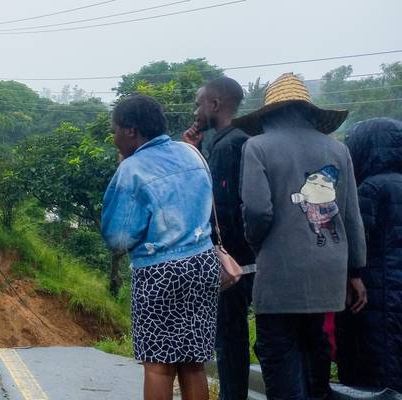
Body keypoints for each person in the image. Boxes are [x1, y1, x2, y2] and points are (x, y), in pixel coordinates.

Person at [235, 73, 366, 400]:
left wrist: (259, 244)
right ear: (309, 112)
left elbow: (256, 212)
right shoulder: (337, 149)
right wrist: (355, 272)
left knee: (279, 354)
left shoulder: (257, 147)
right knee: (315, 350)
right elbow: (350, 215)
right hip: (329, 272)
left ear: (269, 115)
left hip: (280, 273)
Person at [100, 95, 219, 400]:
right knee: (193, 363)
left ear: (131, 130)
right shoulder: (192, 154)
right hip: (204, 263)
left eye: (115, 130)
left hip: (160, 271)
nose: (113, 137)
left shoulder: (132, 170)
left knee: (158, 365)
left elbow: (118, 237)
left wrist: (124, 167)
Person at [183, 77, 258, 400]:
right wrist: (194, 153)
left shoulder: (230, 146)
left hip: (233, 260)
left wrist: (216, 251)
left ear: (215, 104)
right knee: (233, 337)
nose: (196, 110)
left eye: (200, 103)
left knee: (230, 338)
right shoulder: (232, 141)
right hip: (246, 257)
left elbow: (222, 208)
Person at [337, 117, 402, 392]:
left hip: (374, 292)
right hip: (396, 287)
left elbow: (356, 240)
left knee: (375, 361)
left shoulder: (370, 189)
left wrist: (351, 275)